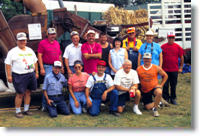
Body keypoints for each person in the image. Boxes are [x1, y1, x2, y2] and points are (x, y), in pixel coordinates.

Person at [5, 32, 39, 118]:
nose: (22, 42)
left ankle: (26, 110)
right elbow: (8, 64)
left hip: (30, 74)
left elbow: (35, 61)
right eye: (20, 40)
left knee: (28, 92)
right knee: (20, 94)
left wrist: (37, 72)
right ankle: (18, 111)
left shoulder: (30, 50)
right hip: (19, 75)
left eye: (23, 40)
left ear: (26, 41)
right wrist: (9, 75)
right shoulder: (12, 51)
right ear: (17, 41)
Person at [37, 28, 64, 111]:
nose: (53, 36)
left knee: (57, 84)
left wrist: (62, 66)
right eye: (51, 34)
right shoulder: (42, 43)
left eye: (54, 34)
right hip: (48, 66)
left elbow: (59, 55)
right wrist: (41, 68)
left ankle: (57, 102)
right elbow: (39, 55)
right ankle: (44, 104)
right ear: (47, 35)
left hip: (57, 66)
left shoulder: (56, 43)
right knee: (48, 86)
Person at [161, 31, 185, 105]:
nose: (171, 39)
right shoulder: (163, 46)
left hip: (174, 69)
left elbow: (181, 57)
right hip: (165, 69)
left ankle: (173, 98)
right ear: (167, 38)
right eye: (169, 37)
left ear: (174, 38)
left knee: (173, 85)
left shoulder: (178, 47)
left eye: (172, 37)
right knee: (165, 84)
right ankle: (166, 98)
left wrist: (181, 67)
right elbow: (160, 57)